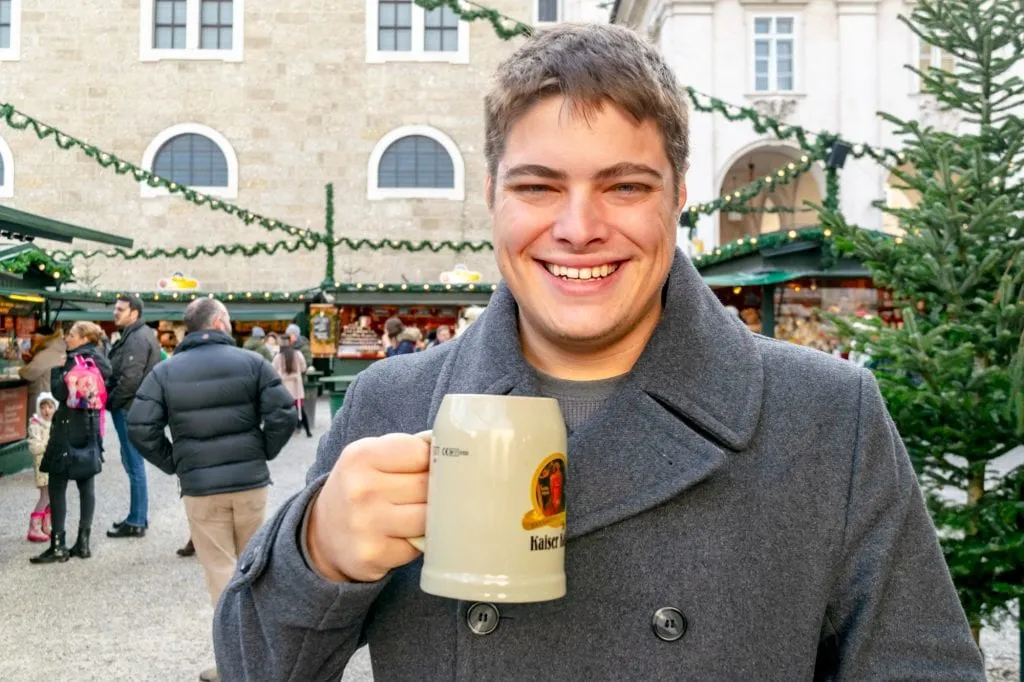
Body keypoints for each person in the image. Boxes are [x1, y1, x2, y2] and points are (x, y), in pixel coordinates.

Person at [212, 24, 984, 680]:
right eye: (539, 187)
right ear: (492, 197)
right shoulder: (392, 404)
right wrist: (318, 552)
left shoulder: (826, 418)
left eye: (624, 187)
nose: (579, 227)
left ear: (679, 197)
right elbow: (253, 664)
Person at [128, 298, 296, 682]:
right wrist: (263, 450)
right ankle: (269, 657)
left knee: (220, 571)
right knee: (257, 567)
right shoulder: (251, 363)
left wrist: (175, 463)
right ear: (219, 322)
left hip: (201, 487)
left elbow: (140, 426)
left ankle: (234, 663)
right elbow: (284, 413)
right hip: (250, 483)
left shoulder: (165, 373)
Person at [31, 322, 111, 564]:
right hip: (91, 427)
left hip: (66, 427)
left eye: (72, 335)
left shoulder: (71, 361)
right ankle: (83, 543)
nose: (67, 338)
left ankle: (58, 545)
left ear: (84, 337)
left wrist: (57, 371)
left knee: (57, 484)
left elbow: (59, 393)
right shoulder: (101, 362)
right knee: (87, 486)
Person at [107, 294, 161, 539]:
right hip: (133, 407)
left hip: (129, 408)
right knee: (132, 463)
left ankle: (137, 520)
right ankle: (136, 516)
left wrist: (110, 401)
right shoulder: (136, 335)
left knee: (134, 463)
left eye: (120, 309)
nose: (115, 312)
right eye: (115, 308)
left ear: (134, 313)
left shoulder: (137, 338)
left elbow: (130, 380)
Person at [18, 325, 67, 429]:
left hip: (43, 398)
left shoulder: (47, 352)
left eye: (34, 339)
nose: (32, 343)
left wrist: (22, 369)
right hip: (51, 395)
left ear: (44, 338)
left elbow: (27, 374)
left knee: (39, 429)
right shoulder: (56, 348)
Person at [26, 392, 59, 543]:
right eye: (43, 407)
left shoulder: (55, 423)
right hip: (42, 467)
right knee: (45, 496)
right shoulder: (36, 425)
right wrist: (49, 446)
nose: (46, 410)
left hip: (53, 466)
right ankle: (34, 527)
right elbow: (34, 446)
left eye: (50, 407)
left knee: (51, 497)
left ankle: (46, 524)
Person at [273, 340, 311, 438]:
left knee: (283, 411)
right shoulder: (298, 354)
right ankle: (308, 431)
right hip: (296, 387)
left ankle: (284, 431)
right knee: (300, 410)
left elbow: (273, 369)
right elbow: (303, 368)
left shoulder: (278, 357)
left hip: (284, 389)